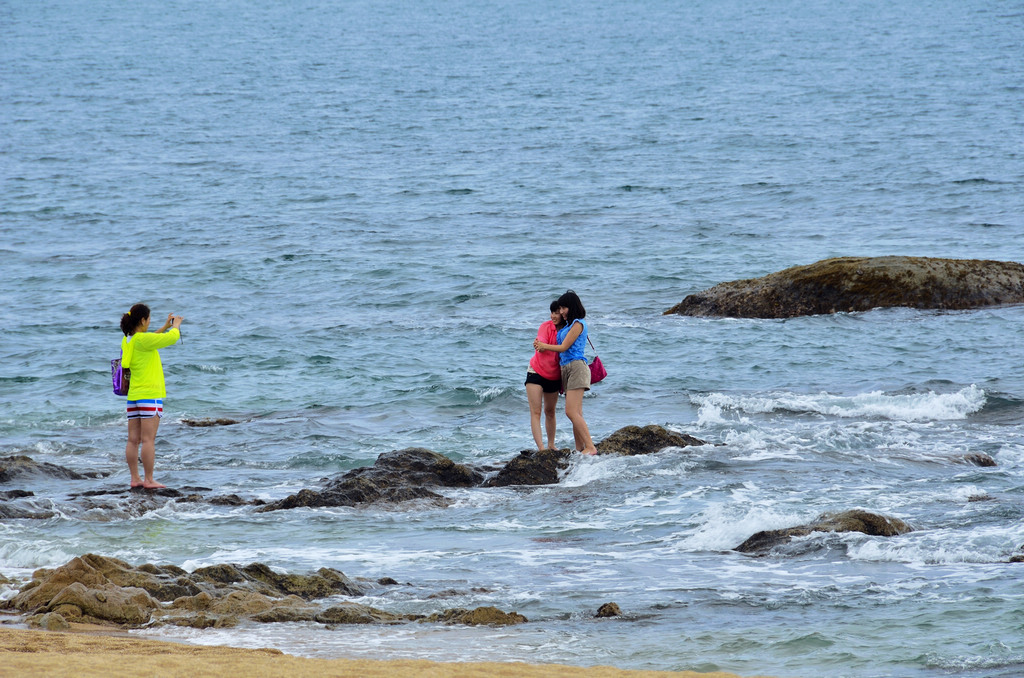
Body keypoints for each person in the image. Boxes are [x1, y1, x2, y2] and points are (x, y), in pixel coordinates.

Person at [119, 303, 183, 489]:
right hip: (150, 396)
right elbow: (172, 338)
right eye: (148, 320)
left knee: (133, 440)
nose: (149, 323)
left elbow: (149, 339)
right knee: (148, 440)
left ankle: (135, 479)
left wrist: (163, 327)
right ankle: (148, 480)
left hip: (134, 397)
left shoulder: (129, 340)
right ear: (142, 320)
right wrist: (176, 325)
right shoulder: (143, 340)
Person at [533, 290, 597, 455]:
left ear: (572, 306)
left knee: (570, 411)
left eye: (563, 308)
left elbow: (564, 347)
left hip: (576, 367)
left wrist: (544, 346)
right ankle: (579, 448)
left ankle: (590, 447)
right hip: (567, 368)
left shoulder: (578, 323)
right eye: (559, 309)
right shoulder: (568, 325)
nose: (560, 312)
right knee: (577, 412)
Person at [525, 301, 565, 451]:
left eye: (556, 313)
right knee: (536, 411)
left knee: (550, 411)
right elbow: (541, 339)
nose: (553, 316)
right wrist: (539, 344)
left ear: (563, 314)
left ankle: (551, 445)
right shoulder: (545, 326)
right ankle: (542, 448)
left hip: (554, 375)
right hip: (536, 371)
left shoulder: (567, 330)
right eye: (552, 312)